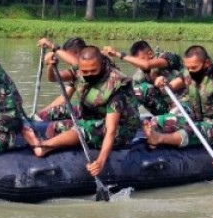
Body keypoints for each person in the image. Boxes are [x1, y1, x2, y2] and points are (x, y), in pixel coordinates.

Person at [23, 46, 141, 177]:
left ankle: (43, 146)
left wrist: (100, 162)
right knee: (56, 113)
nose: (89, 74)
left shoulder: (116, 85)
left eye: (93, 71)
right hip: (93, 112)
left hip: (122, 126)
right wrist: (51, 66)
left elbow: (111, 129)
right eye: (85, 71)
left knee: (81, 129)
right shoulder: (79, 70)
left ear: (101, 64)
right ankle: (26, 127)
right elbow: (54, 78)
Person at [143, 45, 213, 173]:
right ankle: (155, 136)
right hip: (200, 116)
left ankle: (159, 138)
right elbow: (170, 87)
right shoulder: (189, 72)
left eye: (194, 68)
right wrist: (162, 82)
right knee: (157, 122)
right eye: (188, 68)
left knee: (194, 130)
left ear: (206, 63)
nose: (190, 71)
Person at [103, 40, 184, 115]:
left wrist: (117, 54)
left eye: (140, 61)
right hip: (168, 108)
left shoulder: (168, 56)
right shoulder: (139, 77)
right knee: (137, 90)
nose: (138, 64)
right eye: (136, 62)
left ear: (150, 54)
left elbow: (146, 64)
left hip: (186, 101)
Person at [35, 37, 86, 121]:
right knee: (43, 115)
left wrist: (52, 46)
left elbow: (75, 63)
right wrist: (50, 66)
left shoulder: (92, 64)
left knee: (56, 113)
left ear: (78, 53)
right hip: (86, 110)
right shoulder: (76, 73)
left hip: (96, 111)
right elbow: (63, 97)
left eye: (67, 56)